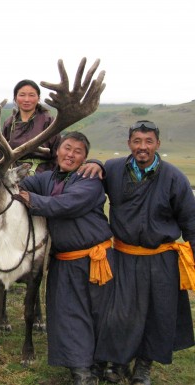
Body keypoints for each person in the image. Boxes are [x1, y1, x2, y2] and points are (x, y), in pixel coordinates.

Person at [94, 120, 195, 385]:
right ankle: (117, 363)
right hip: (124, 255)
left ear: (157, 145)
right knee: (119, 312)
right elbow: (92, 180)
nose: (142, 147)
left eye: (148, 142)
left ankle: (143, 368)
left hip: (162, 259)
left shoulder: (174, 177)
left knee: (156, 314)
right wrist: (93, 161)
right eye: (137, 141)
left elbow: (191, 222)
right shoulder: (114, 169)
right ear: (129, 144)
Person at [17, 131, 114, 385]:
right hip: (64, 259)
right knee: (67, 315)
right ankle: (81, 372)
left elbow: (67, 204)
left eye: (78, 151)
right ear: (57, 150)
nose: (70, 155)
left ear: (85, 158)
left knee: (99, 313)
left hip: (96, 260)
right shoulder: (47, 178)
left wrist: (32, 200)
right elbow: (20, 186)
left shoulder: (90, 179)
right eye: (67, 148)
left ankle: (101, 365)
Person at [0, 79, 60, 274]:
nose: (26, 99)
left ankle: (50, 253)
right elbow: (2, 152)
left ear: (38, 98)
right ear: (16, 98)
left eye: (31, 95)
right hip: (11, 176)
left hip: (40, 175)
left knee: (48, 213)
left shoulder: (48, 121)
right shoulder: (10, 123)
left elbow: (56, 153)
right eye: (22, 95)